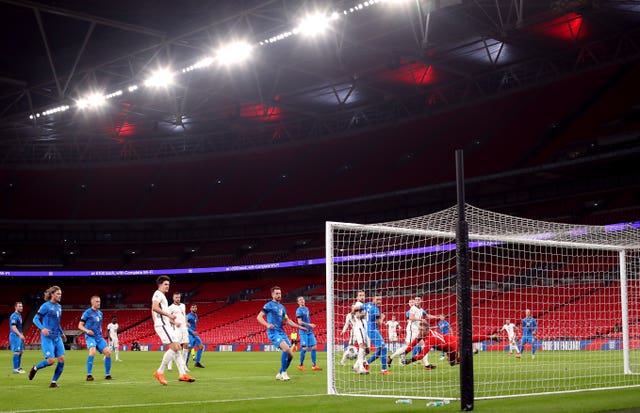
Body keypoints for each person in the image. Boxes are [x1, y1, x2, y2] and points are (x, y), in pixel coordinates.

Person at [151, 275, 195, 385]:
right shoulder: (157, 294)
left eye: (168, 284)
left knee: (178, 348)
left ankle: (182, 374)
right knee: (176, 347)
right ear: (160, 285)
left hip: (166, 324)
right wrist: (168, 315)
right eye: (165, 284)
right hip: (162, 325)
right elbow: (154, 308)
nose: (167, 286)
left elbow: (158, 312)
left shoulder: (163, 296)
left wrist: (170, 320)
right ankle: (160, 372)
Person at [256, 286, 306, 381]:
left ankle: (279, 373)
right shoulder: (268, 305)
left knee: (291, 354)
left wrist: (300, 327)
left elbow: (287, 320)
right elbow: (259, 317)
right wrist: (267, 324)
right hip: (273, 332)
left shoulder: (282, 308)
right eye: (277, 293)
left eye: (279, 293)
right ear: (272, 294)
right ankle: (284, 373)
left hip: (281, 332)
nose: (279, 295)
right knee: (286, 349)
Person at [28, 286, 67, 388]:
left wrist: (62, 333)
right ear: (52, 294)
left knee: (62, 359)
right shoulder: (45, 306)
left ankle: (53, 382)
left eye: (60, 294)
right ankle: (35, 368)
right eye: (58, 294)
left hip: (57, 337)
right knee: (51, 361)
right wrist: (42, 328)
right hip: (47, 337)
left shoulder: (59, 307)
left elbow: (57, 323)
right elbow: (35, 319)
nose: (60, 296)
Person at [78, 295, 112, 381]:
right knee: (92, 352)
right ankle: (89, 375)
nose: (99, 303)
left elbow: (99, 325)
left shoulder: (100, 313)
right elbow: (80, 325)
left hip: (99, 337)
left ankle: (107, 375)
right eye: (97, 301)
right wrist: (87, 331)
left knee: (108, 353)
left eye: (99, 301)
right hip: (90, 337)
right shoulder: (87, 313)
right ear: (92, 302)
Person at [362, 295, 390, 375]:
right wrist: (383, 318)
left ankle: (366, 363)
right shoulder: (375, 310)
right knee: (384, 348)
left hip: (370, 330)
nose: (379, 301)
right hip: (373, 331)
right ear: (373, 299)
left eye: (380, 300)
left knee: (379, 351)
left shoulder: (368, 304)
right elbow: (379, 323)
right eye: (377, 299)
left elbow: (358, 307)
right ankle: (384, 370)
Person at [339, 290, 366, 366]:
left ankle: (360, 362)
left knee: (363, 348)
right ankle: (343, 361)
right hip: (354, 332)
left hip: (360, 330)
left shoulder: (359, 311)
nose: (353, 308)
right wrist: (343, 331)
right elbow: (346, 324)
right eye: (352, 307)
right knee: (351, 347)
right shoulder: (348, 316)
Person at [296, 296, 321, 371]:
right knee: (305, 348)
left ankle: (314, 365)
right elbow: (299, 322)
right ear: (298, 302)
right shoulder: (298, 310)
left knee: (314, 347)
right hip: (303, 331)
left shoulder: (307, 309)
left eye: (302, 299)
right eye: (300, 300)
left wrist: (309, 326)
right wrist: (309, 325)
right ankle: (300, 365)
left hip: (309, 331)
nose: (302, 301)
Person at [167, 292, 189, 372]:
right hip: (176, 329)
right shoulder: (170, 308)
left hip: (184, 328)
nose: (178, 299)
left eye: (179, 297)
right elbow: (168, 319)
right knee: (176, 347)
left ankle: (184, 365)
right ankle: (169, 364)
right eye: (176, 297)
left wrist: (186, 322)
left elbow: (184, 315)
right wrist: (175, 323)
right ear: (173, 298)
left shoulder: (183, 305)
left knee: (186, 345)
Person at [186, 304, 205, 368]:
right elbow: (185, 326)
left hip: (194, 334)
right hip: (189, 334)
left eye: (196, 307)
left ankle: (197, 362)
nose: (195, 308)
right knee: (189, 348)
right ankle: (185, 363)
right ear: (190, 309)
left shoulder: (196, 316)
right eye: (193, 307)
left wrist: (194, 332)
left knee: (201, 346)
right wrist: (192, 331)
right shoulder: (188, 316)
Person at [10, 301, 26, 374]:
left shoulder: (19, 315)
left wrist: (22, 335)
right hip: (15, 336)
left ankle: (18, 368)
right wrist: (19, 335)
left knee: (21, 351)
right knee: (17, 351)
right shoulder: (14, 316)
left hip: (19, 335)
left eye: (21, 306)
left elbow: (19, 327)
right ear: (15, 307)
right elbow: (13, 326)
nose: (21, 307)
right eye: (19, 306)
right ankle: (15, 369)